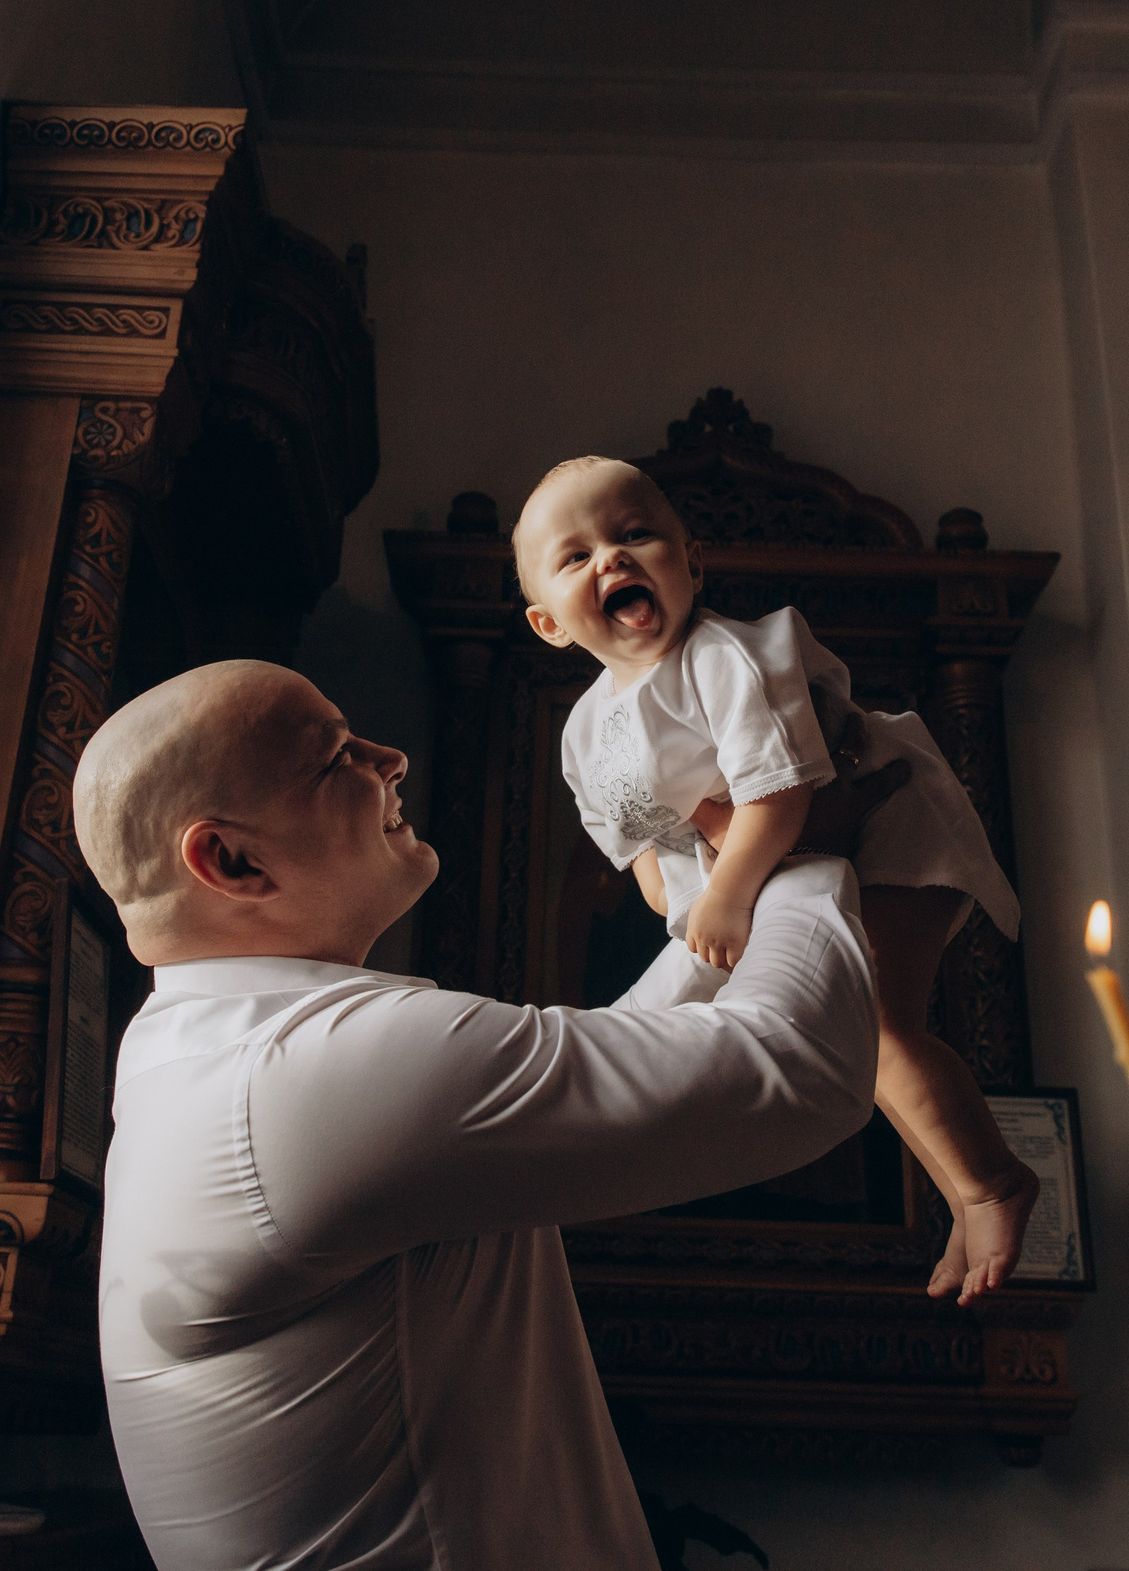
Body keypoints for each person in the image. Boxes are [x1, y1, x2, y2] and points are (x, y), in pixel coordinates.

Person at [75, 658, 904, 1570]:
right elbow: (805, 1069)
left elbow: (603, 1070)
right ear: (231, 860)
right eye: (336, 755)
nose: (390, 758)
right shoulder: (307, 1071)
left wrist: (729, 887)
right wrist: (800, 833)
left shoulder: (202, 1050)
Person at [511, 455, 1038, 1304]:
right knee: (867, 1047)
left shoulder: (723, 656)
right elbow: (646, 853)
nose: (610, 559)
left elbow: (780, 795)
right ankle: (965, 1195)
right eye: (575, 557)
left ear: (693, 563)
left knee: (884, 1030)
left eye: (634, 533)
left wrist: (724, 893)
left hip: (885, 825)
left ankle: (995, 1186)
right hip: (776, 867)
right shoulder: (586, 732)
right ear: (549, 624)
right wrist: (691, 907)